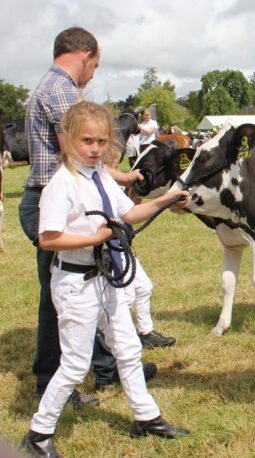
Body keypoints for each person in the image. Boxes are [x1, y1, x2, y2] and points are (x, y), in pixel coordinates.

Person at [20, 101, 190, 457]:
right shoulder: (61, 184)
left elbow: (128, 213)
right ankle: (38, 434)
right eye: (87, 141)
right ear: (66, 140)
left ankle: (146, 417)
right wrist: (95, 239)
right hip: (75, 282)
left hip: (105, 277)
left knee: (128, 349)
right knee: (75, 365)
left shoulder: (98, 177)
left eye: (101, 142)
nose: (95, 149)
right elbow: (48, 238)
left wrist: (167, 199)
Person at [18, 26, 153, 411]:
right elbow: (81, 154)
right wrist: (121, 178)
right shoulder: (62, 90)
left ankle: (108, 368)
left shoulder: (46, 85)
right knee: (63, 294)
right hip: (57, 203)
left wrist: (120, 179)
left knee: (89, 283)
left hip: (51, 197)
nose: (93, 74)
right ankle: (51, 382)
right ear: (85, 55)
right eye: (95, 65)